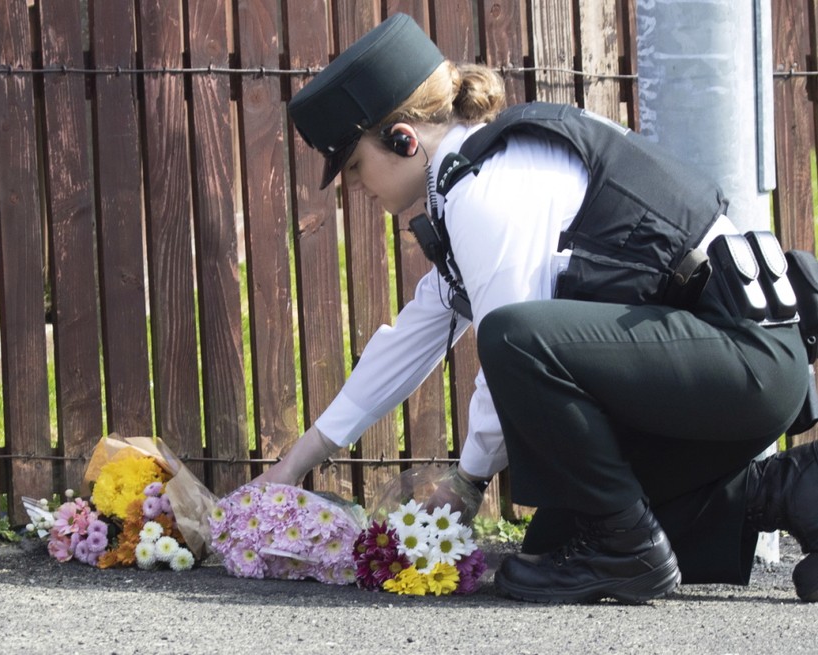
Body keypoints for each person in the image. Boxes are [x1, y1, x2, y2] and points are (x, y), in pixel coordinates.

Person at [255, 12, 818, 604]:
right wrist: (294, 465)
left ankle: (627, 551)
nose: (353, 188)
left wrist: (468, 481)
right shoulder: (468, 183)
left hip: (741, 362)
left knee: (515, 342)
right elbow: (410, 341)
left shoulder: (489, 191)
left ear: (403, 138)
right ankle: (791, 490)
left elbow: (512, 340)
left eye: (352, 165)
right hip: (716, 371)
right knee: (559, 536)